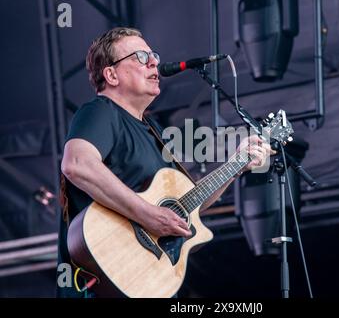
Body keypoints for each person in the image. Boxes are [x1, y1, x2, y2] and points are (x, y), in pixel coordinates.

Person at [57, 27, 273, 298]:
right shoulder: (100, 111)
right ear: (111, 75)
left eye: (153, 55)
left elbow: (185, 204)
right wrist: (147, 214)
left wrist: (238, 164)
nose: (154, 62)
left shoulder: (153, 130)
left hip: (141, 279)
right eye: (140, 56)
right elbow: (77, 164)